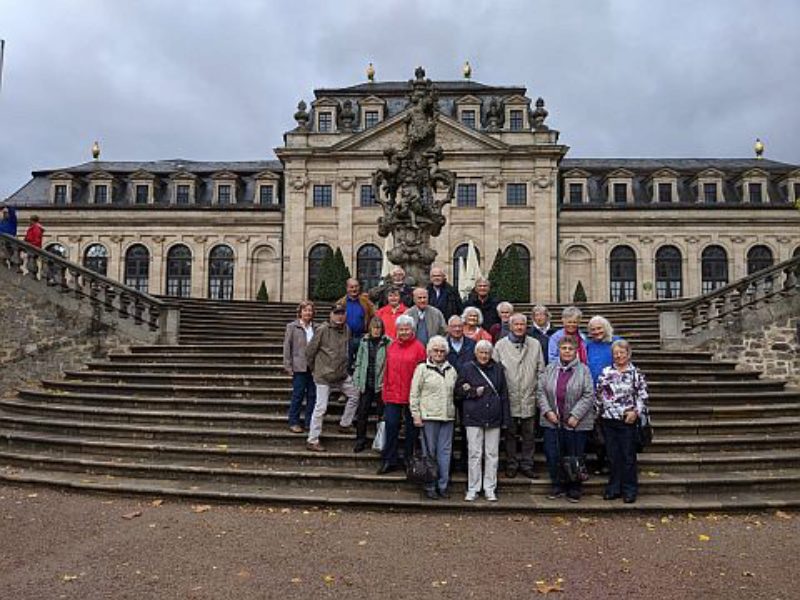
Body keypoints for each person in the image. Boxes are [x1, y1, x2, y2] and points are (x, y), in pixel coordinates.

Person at [537, 335, 595, 502]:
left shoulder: (584, 370)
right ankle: (557, 485)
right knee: (553, 453)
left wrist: (575, 415)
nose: (567, 351)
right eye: (564, 348)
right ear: (559, 350)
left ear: (576, 351)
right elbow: (540, 392)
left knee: (575, 455)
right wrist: (548, 412)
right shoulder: (549, 368)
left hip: (576, 423)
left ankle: (574, 488)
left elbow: (589, 394)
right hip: (552, 421)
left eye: (570, 349)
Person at [595, 339, 649, 504]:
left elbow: (643, 396)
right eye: (616, 353)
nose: (618, 356)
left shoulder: (636, 374)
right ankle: (614, 488)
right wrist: (598, 413)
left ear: (628, 354)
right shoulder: (606, 372)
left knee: (628, 456)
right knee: (613, 456)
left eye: (622, 353)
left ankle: (629, 490)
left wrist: (636, 412)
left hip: (628, 420)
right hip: (609, 419)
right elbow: (598, 394)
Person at [455, 340, 510, 502]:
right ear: (476, 353)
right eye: (481, 352)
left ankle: (489, 488)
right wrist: (472, 392)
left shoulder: (498, 369)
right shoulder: (467, 368)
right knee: (474, 454)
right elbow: (458, 391)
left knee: (492, 454)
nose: (484, 356)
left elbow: (504, 395)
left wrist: (505, 418)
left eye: (487, 353)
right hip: (473, 417)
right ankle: (473, 488)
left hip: (494, 417)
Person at [493, 313, 544, 479]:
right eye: (516, 325)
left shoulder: (535, 344)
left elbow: (541, 369)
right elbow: (495, 371)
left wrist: (538, 393)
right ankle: (511, 464)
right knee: (510, 434)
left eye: (522, 324)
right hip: (509, 397)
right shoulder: (500, 345)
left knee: (529, 434)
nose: (520, 327)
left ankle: (527, 464)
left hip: (529, 395)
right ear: (511, 326)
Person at [305, 303, 360, 452]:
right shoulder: (322, 330)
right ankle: (313, 439)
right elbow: (310, 352)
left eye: (342, 313)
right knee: (321, 407)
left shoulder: (347, 329)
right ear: (331, 314)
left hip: (341, 374)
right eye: (336, 313)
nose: (339, 316)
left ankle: (345, 424)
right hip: (323, 375)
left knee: (355, 394)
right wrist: (315, 369)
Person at [410, 335, 458, 500]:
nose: (439, 353)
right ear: (429, 352)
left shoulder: (451, 370)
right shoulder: (422, 369)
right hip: (428, 416)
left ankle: (442, 486)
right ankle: (430, 485)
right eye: (435, 350)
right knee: (429, 453)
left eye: (442, 351)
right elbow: (414, 394)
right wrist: (415, 414)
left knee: (445, 453)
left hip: (447, 417)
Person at [378, 315, 426, 474]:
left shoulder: (419, 347)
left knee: (412, 430)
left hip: (412, 395)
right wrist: (385, 391)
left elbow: (423, 373)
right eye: (401, 329)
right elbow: (387, 370)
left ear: (412, 330)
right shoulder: (391, 346)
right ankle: (389, 459)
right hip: (393, 393)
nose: (404, 332)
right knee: (391, 426)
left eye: (407, 329)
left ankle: (408, 459)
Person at [585, 315, 622, 475]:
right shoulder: (588, 345)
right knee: (597, 430)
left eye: (599, 328)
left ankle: (612, 462)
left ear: (606, 327)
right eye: (593, 329)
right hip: (593, 393)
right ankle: (601, 461)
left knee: (611, 430)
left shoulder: (616, 342)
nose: (596, 332)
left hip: (614, 394)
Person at [352, 317, 391, 452]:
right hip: (366, 382)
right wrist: (357, 380)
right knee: (362, 413)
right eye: (374, 327)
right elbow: (359, 361)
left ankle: (380, 440)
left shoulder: (387, 342)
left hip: (381, 383)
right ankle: (360, 440)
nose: (376, 330)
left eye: (379, 328)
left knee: (382, 414)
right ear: (370, 328)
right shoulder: (364, 341)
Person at [445, 315, 475, 472]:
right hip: (447, 392)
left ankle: (465, 461)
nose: (457, 329)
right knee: (447, 428)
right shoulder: (442, 345)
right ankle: (447, 461)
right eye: (453, 326)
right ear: (448, 328)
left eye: (459, 326)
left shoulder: (472, 345)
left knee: (466, 428)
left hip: (466, 393)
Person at [282, 300, 317, 433]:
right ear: (300, 312)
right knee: (298, 395)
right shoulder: (292, 327)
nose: (308, 313)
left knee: (313, 396)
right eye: (305, 310)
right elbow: (287, 347)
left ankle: (309, 422)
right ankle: (294, 421)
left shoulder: (316, 327)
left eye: (310, 310)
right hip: (299, 367)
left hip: (313, 368)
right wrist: (288, 365)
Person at [338, 278, 375, 367]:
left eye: (356, 286)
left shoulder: (366, 303)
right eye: (351, 287)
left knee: (362, 363)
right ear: (347, 288)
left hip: (362, 337)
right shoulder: (341, 303)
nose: (354, 289)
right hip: (345, 338)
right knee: (346, 364)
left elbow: (373, 318)